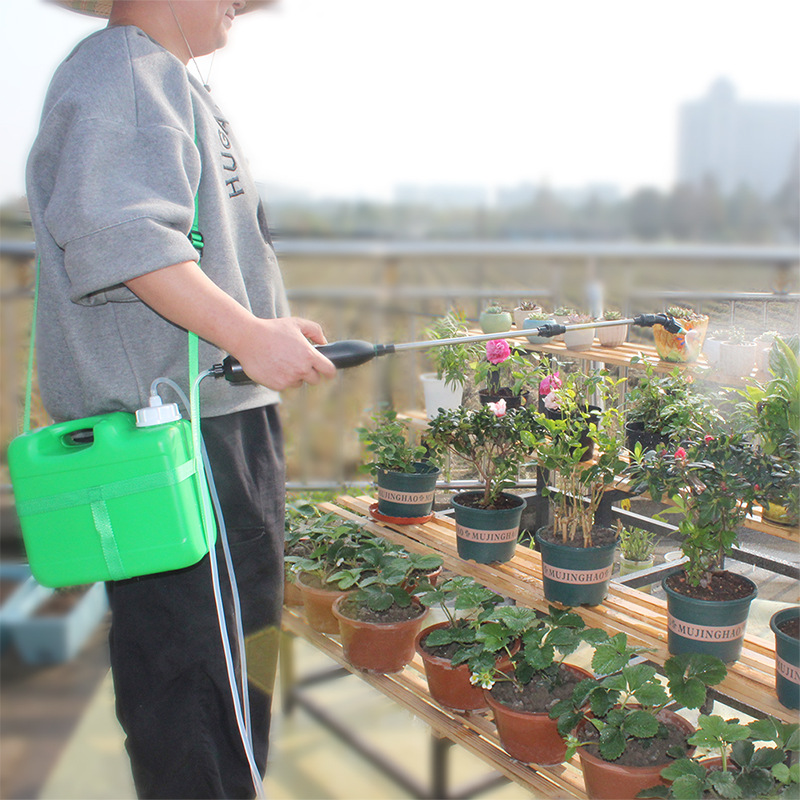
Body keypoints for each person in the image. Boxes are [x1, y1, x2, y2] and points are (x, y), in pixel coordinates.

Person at [26, 1, 336, 797]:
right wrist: (247, 336)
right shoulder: (123, 75)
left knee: (227, 660)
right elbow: (124, 240)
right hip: (176, 436)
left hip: (205, 421)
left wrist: (257, 325)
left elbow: (175, 246)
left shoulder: (163, 78)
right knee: (198, 677)